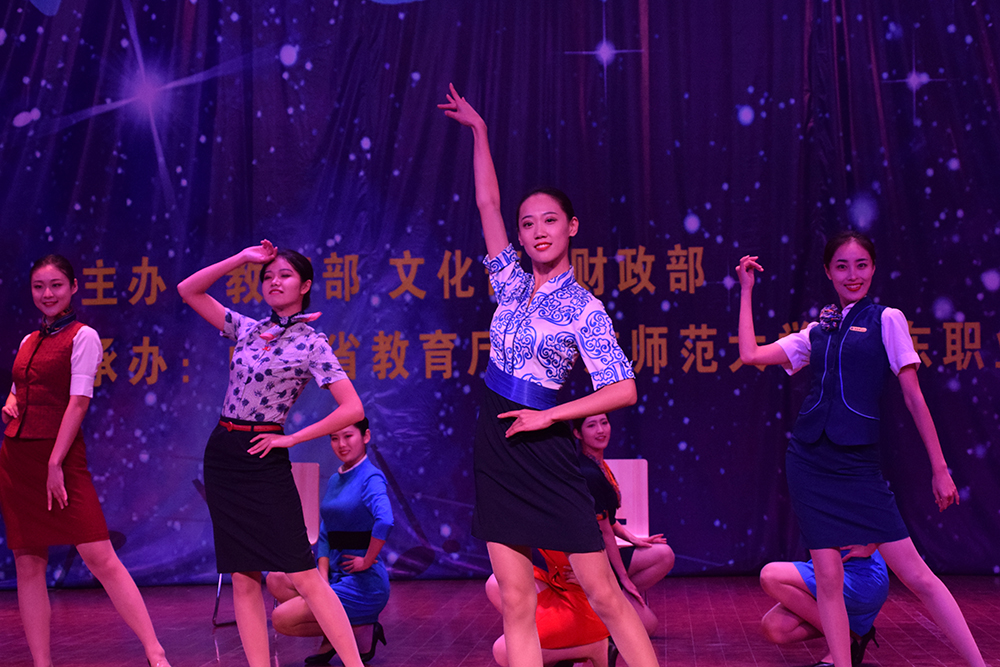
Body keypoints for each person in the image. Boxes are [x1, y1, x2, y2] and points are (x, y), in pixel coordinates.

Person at [440, 83, 658, 667]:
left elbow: (624, 389)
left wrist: (551, 416)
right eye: (528, 223)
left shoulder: (585, 307)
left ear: (571, 227)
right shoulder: (509, 283)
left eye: (550, 221)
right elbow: (487, 205)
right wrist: (480, 132)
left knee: (605, 594)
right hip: (496, 442)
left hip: (546, 448)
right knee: (516, 601)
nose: (538, 230)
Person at [736, 231, 986, 667]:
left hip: (857, 466)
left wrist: (940, 467)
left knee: (918, 576)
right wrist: (746, 291)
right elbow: (751, 354)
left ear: (873, 268)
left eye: (861, 265)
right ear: (828, 272)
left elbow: (914, 397)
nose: (852, 275)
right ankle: (842, 661)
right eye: (842, 266)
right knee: (828, 579)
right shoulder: (816, 331)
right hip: (809, 463)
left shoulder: (888, 320)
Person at [177, 241, 366, 667]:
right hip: (224, 453)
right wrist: (242, 258)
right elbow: (188, 290)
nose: (274, 282)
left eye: (284, 275)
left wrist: (292, 439)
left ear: (305, 285)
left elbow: (353, 408)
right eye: (267, 276)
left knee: (303, 573)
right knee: (243, 575)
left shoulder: (312, 343)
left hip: (265, 454)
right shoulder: (247, 328)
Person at [0, 255, 171, 667]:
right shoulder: (28, 340)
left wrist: (55, 463)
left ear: (74, 287)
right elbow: (18, 389)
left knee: (99, 556)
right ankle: (42, 663)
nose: (47, 294)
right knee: (28, 563)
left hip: (59, 457)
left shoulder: (84, 337)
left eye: (56, 285)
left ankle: (155, 652)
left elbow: (78, 404)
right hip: (18, 459)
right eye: (39, 286)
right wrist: (10, 403)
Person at [267, 417, 393, 666]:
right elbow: (326, 531)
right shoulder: (336, 479)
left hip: (363, 582)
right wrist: (322, 577)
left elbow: (385, 520)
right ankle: (353, 627)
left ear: (365, 436)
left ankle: (357, 626)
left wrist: (367, 560)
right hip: (335, 574)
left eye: (348, 436)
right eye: (334, 438)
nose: (341, 444)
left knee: (281, 619)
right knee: (275, 579)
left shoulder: (371, 478)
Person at [573, 413, 675, 636]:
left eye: (604, 423)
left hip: (604, 552)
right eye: (591, 425)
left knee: (664, 554)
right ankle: (603, 603)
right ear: (578, 434)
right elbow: (604, 532)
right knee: (648, 626)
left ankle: (611, 601)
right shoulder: (588, 472)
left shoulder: (598, 466)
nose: (601, 430)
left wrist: (634, 539)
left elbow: (609, 520)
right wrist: (624, 578)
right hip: (594, 559)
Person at [760, 550, 888, 667]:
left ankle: (846, 642)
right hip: (829, 571)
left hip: (863, 578)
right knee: (775, 628)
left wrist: (871, 544)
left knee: (770, 575)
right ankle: (852, 632)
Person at [486, 549, 610, 667]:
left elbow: (609, 544)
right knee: (497, 584)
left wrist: (596, 575)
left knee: (505, 652)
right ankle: (552, 648)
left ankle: (591, 648)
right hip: (559, 586)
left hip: (586, 603)